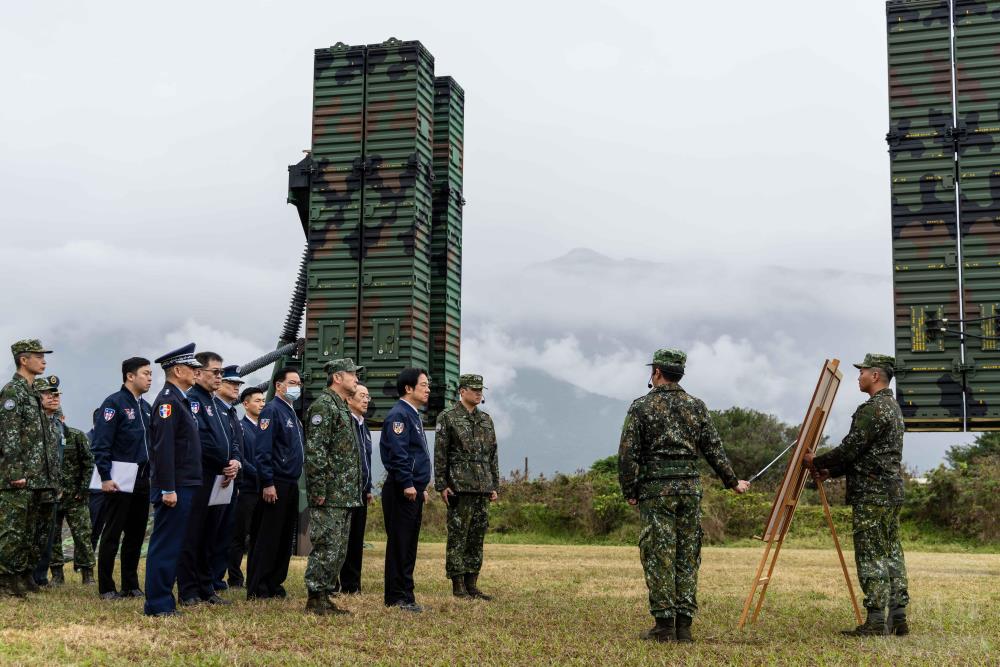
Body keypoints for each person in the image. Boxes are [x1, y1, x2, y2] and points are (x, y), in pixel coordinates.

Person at [618, 349, 750, 643]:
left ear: (656, 373)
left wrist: (630, 489)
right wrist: (732, 482)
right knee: (688, 555)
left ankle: (664, 626)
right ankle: (685, 626)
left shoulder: (641, 407)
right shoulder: (697, 406)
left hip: (656, 491)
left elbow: (628, 455)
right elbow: (714, 448)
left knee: (659, 554)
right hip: (690, 490)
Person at [804, 353, 909, 637]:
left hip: (873, 494)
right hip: (890, 490)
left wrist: (816, 462)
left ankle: (876, 620)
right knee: (891, 551)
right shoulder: (893, 407)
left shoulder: (873, 409)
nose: (858, 377)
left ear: (875, 375)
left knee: (872, 554)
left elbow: (851, 449)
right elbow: (863, 456)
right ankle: (897, 616)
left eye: (862, 372)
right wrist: (833, 471)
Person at [143, 343, 203, 617]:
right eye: (192, 368)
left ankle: (164, 599)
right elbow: (163, 448)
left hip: (185, 484)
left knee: (175, 543)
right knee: (166, 544)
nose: (196, 372)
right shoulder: (168, 402)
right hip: (174, 486)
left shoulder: (180, 400)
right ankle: (158, 604)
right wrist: (168, 487)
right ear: (177, 370)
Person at [303, 358, 363, 615]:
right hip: (329, 493)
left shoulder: (340, 406)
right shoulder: (324, 407)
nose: (356, 379)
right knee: (327, 545)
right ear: (337, 377)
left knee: (339, 548)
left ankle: (325, 594)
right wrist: (317, 491)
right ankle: (315, 596)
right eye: (352, 375)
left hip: (344, 493)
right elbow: (316, 453)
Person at [178, 352, 238, 606]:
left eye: (221, 372)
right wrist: (223, 463)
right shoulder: (193, 401)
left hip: (220, 478)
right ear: (199, 372)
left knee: (210, 535)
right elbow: (199, 441)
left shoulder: (216, 404)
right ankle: (188, 590)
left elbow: (231, 438)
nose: (219, 376)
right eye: (215, 371)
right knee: (193, 535)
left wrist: (235, 460)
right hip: (200, 476)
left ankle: (206, 587)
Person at [0, 339, 58, 597]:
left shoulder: (35, 394)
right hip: (19, 477)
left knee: (31, 531)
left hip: (38, 477)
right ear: (24, 360)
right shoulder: (13, 391)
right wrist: (16, 473)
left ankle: (23, 577)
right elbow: (9, 434)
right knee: (12, 531)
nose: (43, 360)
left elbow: (43, 440)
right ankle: (4, 581)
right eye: (38, 356)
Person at [434, 373, 499, 600]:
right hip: (459, 486)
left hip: (482, 485)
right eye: (474, 389)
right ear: (462, 391)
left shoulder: (486, 420)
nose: (479, 392)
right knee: (458, 536)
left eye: (481, 389)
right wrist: (441, 484)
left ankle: (473, 583)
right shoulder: (448, 417)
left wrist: (494, 484)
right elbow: (440, 453)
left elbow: (492, 454)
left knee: (476, 537)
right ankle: (458, 584)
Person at [93, 357, 153, 600]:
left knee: (136, 534)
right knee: (113, 533)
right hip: (119, 478)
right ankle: (107, 587)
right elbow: (101, 444)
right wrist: (105, 477)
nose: (150, 378)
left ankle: (131, 584)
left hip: (142, 479)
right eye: (146, 374)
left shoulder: (146, 408)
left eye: (151, 374)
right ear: (130, 376)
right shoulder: (113, 403)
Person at [246, 367, 304, 600]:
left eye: (299, 383)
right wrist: (268, 482)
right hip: (276, 482)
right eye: (292, 382)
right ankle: (258, 586)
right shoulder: (271, 410)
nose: (296, 387)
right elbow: (263, 451)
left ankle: (274, 583)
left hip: (291, 482)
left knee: (283, 538)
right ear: (279, 385)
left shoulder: (291, 412)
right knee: (268, 537)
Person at [34, 377, 96, 586]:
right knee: (53, 538)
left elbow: (89, 464)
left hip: (75, 497)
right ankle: (57, 574)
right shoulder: (42, 435)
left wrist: (83, 489)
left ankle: (88, 573)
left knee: (82, 536)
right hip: (52, 495)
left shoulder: (76, 436)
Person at [380, 367, 432, 612]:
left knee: (410, 544)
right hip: (402, 489)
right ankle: (396, 596)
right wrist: (408, 483)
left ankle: (407, 594)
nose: (428, 389)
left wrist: (420, 486)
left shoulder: (413, 415)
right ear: (408, 388)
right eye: (423, 385)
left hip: (414, 488)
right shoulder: (399, 415)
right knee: (400, 543)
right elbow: (398, 455)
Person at [209, 365, 245, 592]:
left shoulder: (231, 412)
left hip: (231, 478)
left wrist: (237, 462)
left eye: (238, 385)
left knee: (225, 533)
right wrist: (226, 464)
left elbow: (235, 445)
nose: (235, 388)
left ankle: (217, 578)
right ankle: (209, 578)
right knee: (213, 531)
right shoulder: (213, 408)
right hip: (216, 478)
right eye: (231, 383)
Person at [336, 382, 373, 595]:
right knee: (341, 538)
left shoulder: (363, 426)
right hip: (344, 490)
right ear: (349, 399)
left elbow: (365, 460)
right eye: (362, 395)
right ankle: (332, 583)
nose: (366, 400)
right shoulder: (344, 424)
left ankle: (352, 585)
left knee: (356, 539)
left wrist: (368, 488)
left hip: (361, 490)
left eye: (368, 396)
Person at [228, 385, 263, 588]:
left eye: (262, 401)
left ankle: (254, 575)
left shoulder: (263, 427)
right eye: (257, 401)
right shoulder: (241, 427)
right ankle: (234, 577)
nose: (261, 404)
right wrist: (258, 474)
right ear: (246, 404)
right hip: (247, 487)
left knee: (258, 535)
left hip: (262, 488)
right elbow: (241, 456)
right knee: (239, 535)